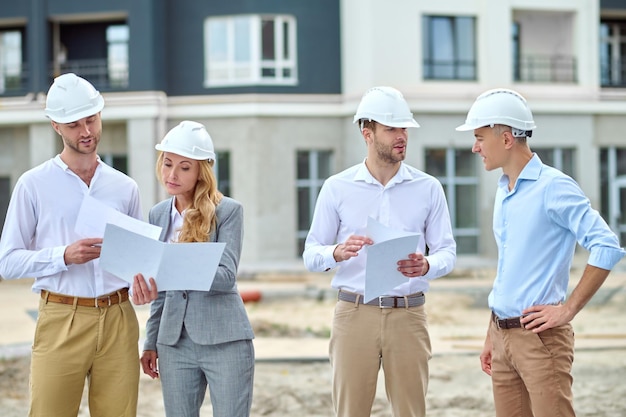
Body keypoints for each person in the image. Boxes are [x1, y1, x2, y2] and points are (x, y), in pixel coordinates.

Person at [455, 88, 625, 417]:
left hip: (540, 340)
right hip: (501, 335)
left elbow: (606, 245)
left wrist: (569, 309)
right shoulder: (504, 190)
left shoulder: (554, 187)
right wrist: (492, 332)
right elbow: (510, 269)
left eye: (479, 137)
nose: (475, 147)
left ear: (506, 139)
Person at [302, 86, 457, 417]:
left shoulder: (429, 188)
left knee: (411, 412)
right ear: (367, 133)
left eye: (405, 128)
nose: (402, 136)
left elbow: (448, 253)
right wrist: (337, 253)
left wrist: (426, 264)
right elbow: (311, 252)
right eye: (392, 129)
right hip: (354, 314)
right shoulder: (337, 188)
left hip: (409, 316)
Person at [0, 73, 143, 417]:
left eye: (91, 119)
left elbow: (139, 259)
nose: (86, 131)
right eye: (74, 124)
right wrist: (63, 256)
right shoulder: (33, 185)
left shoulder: (125, 188)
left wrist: (144, 280)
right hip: (61, 318)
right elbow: (7, 263)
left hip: (119, 318)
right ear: (55, 127)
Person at [131, 121, 255, 417]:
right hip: (174, 343)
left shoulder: (227, 211)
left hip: (225, 340)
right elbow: (160, 290)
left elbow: (225, 278)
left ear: (202, 170)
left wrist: (174, 260)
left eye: (184, 167)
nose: (172, 175)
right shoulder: (158, 214)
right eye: (168, 164)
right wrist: (151, 342)